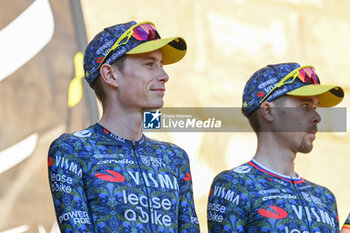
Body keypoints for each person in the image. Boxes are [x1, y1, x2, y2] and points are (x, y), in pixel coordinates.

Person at [48, 21, 200, 232]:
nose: (164, 76)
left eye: (161, 65)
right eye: (149, 64)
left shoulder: (175, 157)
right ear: (110, 75)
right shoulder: (72, 150)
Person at [207, 63, 344, 232]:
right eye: (305, 107)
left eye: (315, 108)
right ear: (268, 111)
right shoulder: (234, 185)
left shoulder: (324, 197)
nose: (317, 117)